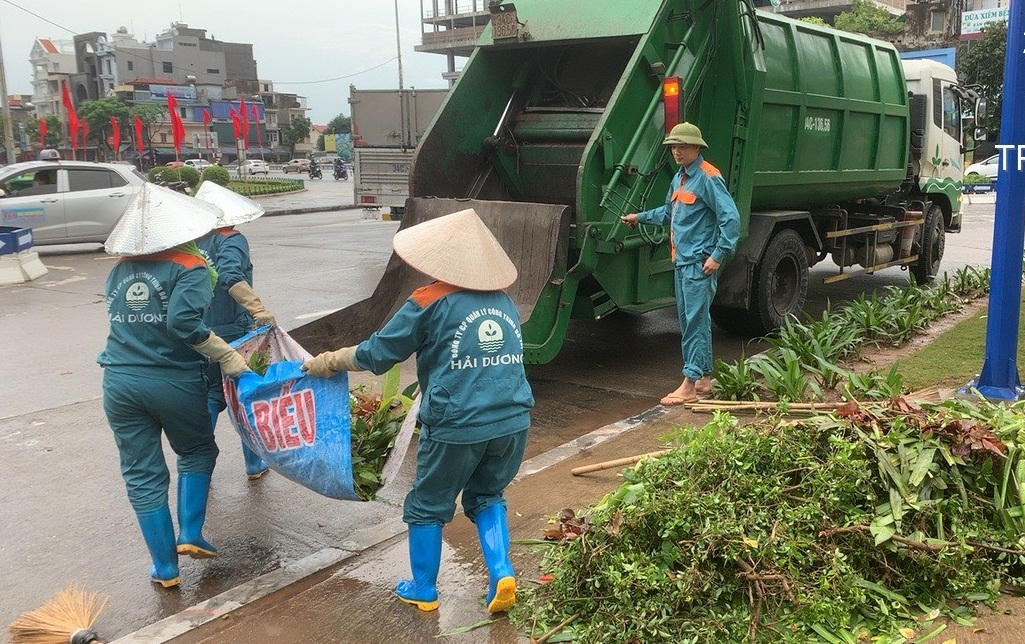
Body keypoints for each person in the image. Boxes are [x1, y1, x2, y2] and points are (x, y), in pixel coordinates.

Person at [303, 209, 534, 614]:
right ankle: (501, 572)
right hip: (513, 419)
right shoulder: (504, 301)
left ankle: (423, 588)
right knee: (487, 496)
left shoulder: (429, 299)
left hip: (457, 424)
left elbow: (379, 353)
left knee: (428, 505)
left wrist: (331, 360)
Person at [98, 183, 250, 588]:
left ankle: (165, 569)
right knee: (197, 449)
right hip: (172, 380)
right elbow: (184, 324)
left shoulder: (121, 268)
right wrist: (227, 356)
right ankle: (191, 534)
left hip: (118, 381)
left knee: (142, 474)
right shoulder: (190, 266)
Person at [621, 122, 740, 405]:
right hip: (682, 262)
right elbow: (668, 212)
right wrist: (639, 218)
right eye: (674, 146)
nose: (676, 151)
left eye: (682, 146)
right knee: (692, 321)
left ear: (697, 148)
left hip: (699, 263)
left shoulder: (709, 178)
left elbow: (731, 219)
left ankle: (689, 383)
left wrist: (718, 255)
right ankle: (704, 380)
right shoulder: (680, 178)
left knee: (694, 322)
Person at [194, 181, 276, 479]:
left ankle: (198, 465)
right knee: (244, 395)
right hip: (233, 331)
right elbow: (230, 275)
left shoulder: (196, 242)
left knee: (213, 394)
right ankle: (254, 464)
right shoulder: (232, 239)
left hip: (202, 331)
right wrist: (258, 309)